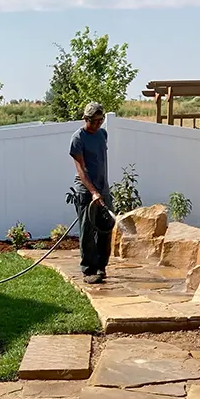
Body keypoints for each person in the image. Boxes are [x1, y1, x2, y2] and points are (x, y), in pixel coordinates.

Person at [70, 102, 113, 284]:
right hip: (86, 191)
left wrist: (101, 191)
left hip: (103, 189)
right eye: (93, 121)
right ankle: (88, 270)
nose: (97, 124)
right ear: (85, 119)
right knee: (87, 230)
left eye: (100, 120)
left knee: (106, 228)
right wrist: (93, 192)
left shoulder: (103, 134)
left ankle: (101, 267)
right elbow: (81, 169)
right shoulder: (78, 138)